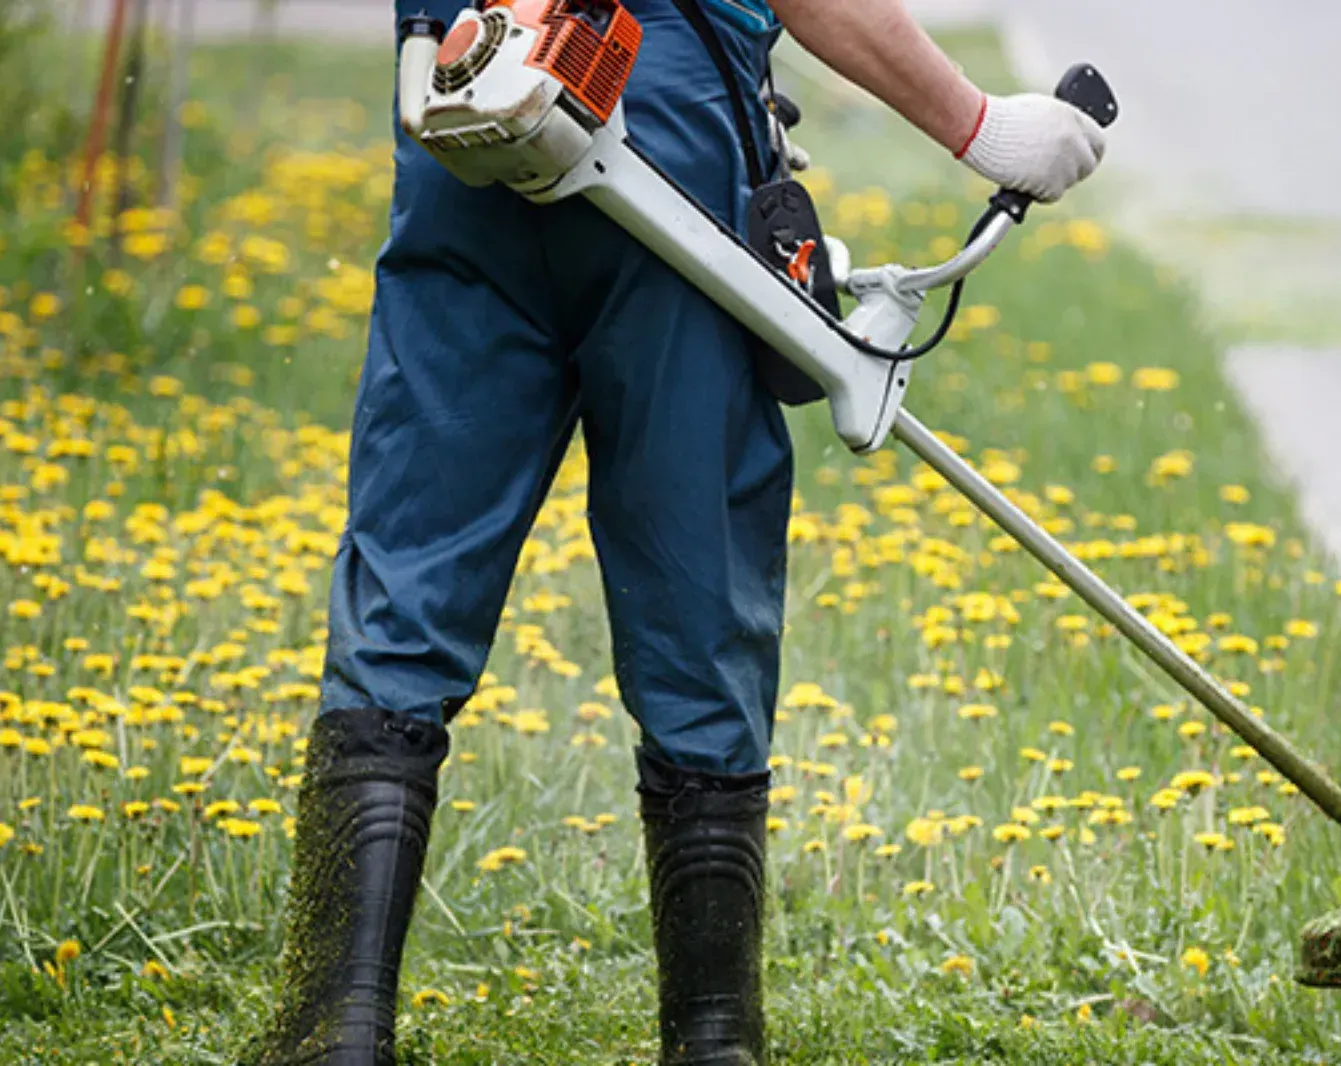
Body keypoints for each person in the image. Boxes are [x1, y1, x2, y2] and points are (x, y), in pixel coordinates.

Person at [247, 0, 1105, 1063]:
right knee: (695, 578)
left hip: (468, 106)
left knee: (410, 565)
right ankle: (712, 1041)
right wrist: (982, 126)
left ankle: (331, 1029)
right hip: (658, 119)